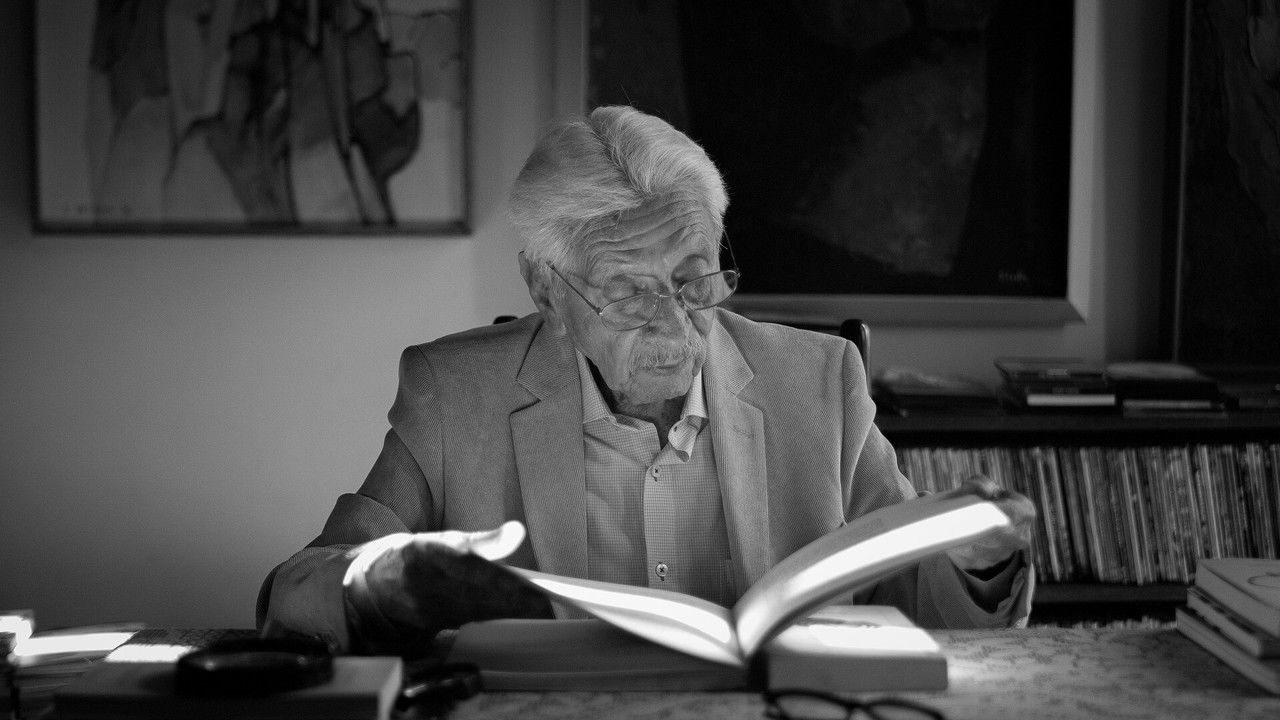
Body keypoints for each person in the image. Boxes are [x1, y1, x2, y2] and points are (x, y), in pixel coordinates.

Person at [258, 106, 1036, 655]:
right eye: (629, 291)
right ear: (547, 291)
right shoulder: (454, 394)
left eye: (693, 279)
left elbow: (929, 608)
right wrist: (381, 584)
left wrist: (983, 560)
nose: (673, 325)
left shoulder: (821, 383)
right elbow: (294, 594)